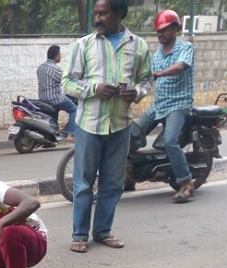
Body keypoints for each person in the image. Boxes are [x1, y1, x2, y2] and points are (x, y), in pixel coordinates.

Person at [63, 0, 151, 254]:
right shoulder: (83, 45)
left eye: (104, 13)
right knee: (83, 183)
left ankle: (102, 232)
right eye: (96, 13)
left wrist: (137, 92)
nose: (98, 18)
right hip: (89, 124)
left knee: (112, 183)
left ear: (120, 14)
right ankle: (79, 234)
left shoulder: (139, 46)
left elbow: (147, 81)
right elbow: (67, 82)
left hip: (120, 125)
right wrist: (93, 89)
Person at [130, 10, 196, 203]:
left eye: (165, 30)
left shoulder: (185, 47)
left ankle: (186, 183)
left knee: (169, 141)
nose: (161, 34)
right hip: (159, 105)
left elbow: (181, 66)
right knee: (131, 133)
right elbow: (147, 79)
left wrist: (160, 74)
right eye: (158, 31)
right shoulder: (156, 55)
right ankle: (130, 174)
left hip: (179, 104)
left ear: (176, 28)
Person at [37, 44, 78, 140]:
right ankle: (70, 134)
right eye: (60, 54)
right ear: (56, 56)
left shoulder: (40, 67)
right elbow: (66, 81)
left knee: (55, 114)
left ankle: (56, 134)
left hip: (43, 98)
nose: (61, 56)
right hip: (55, 98)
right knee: (74, 109)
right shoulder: (55, 69)